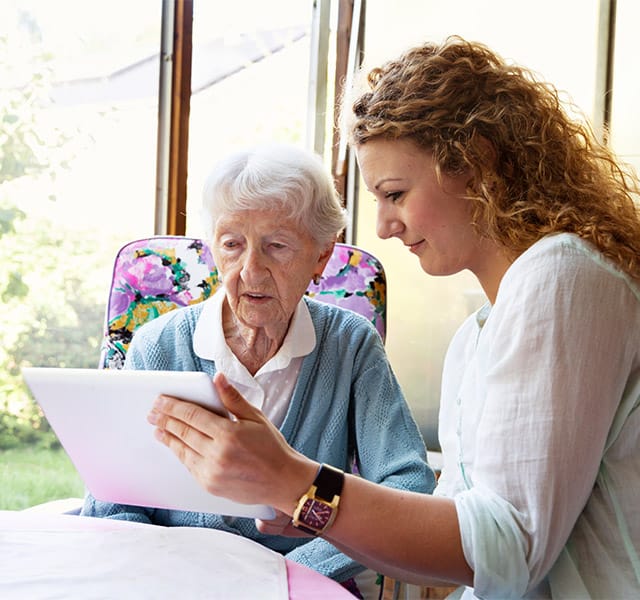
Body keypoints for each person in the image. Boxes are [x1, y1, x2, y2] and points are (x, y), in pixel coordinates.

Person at [145, 36, 640, 599]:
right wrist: (303, 503)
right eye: (232, 243)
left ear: (474, 163)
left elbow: (511, 549)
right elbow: (444, 556)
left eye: (395, 193)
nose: (382, 227)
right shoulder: (477, 339)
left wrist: (295, 481)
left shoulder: (560, 276)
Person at [81, 142, 434, 597]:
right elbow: (113, 499)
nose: (250, 271)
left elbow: (409, 484)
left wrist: (293, 574)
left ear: (321, 258)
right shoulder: (157, 345)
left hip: (302, 586)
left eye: (277, 246)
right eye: (232, 245)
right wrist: (165, 576)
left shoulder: (351, 344)